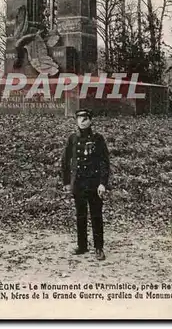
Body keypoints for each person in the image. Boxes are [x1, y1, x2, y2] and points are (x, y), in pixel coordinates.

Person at [61, 109, 110, 260]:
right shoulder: (72, 139)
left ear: (91, 121)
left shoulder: (98, 139)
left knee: (96, 215)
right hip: (79, 184)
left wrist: (103, 183)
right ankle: (82, 245)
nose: (82, 121)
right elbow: (65, 161)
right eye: (79, 118)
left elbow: (104, 162)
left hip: (94, 183)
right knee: (80, 215)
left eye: (85, 118)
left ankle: (98, 248)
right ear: (76, 121)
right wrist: (67, 182)